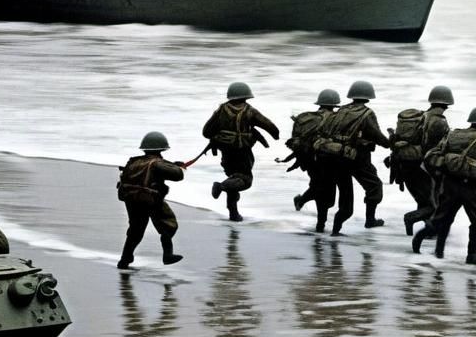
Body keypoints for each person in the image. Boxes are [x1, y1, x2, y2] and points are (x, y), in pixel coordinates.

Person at [413, 106, 476, 264]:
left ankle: (432, 246)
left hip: (449, 184)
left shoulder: (453, 134)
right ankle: (472, 255)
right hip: (470, 187)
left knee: (443, 219)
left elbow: (434, 154)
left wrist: (438, 175)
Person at [315, 80, 391, 235]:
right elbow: (378, 137)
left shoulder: (341, 110)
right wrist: (390, 142)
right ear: (369, 96)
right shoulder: (367, 114)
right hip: (357, 159)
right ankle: (369, 220)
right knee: (375, 185)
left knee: (345, 197)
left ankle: (327, 227)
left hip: (335, 157)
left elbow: (326, 130)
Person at [203, 82, 280, 222]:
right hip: (242, 151)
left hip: (225, 152)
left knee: (234, 178)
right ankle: (221, 186)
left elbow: (206, 131)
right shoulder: (250, 111)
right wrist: (276, 136)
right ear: (246, 96)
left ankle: (233, 214)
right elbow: (270, 126)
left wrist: (221, 136)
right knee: (245, 180)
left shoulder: (221, 110)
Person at [116, 131, 186, 268]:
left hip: (131, 198)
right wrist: (176, 167)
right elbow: (178, 175)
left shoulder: (134, 161)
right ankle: (167, 255)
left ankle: (125, 259)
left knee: (136, 230)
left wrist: (171, 164)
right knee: (169, 224)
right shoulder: (157, 164)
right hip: (150, 199)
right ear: (162, 148)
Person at [392, 85, 454, 237]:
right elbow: (433, 149)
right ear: (447, 103)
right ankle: (411, 218)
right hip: (421, 167)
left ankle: (428, 231)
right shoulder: (439, 121)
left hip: (405, 164)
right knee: (435, 205)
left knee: (424, 200)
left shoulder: (422, 116)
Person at [288, 88, 341, 233]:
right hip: (327, 158)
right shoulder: (336, 118)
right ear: (334, 104)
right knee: (325, 192)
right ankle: (320, 224)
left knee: (319, 186)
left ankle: (302, 201)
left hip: (308, 159)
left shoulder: (307, 118)